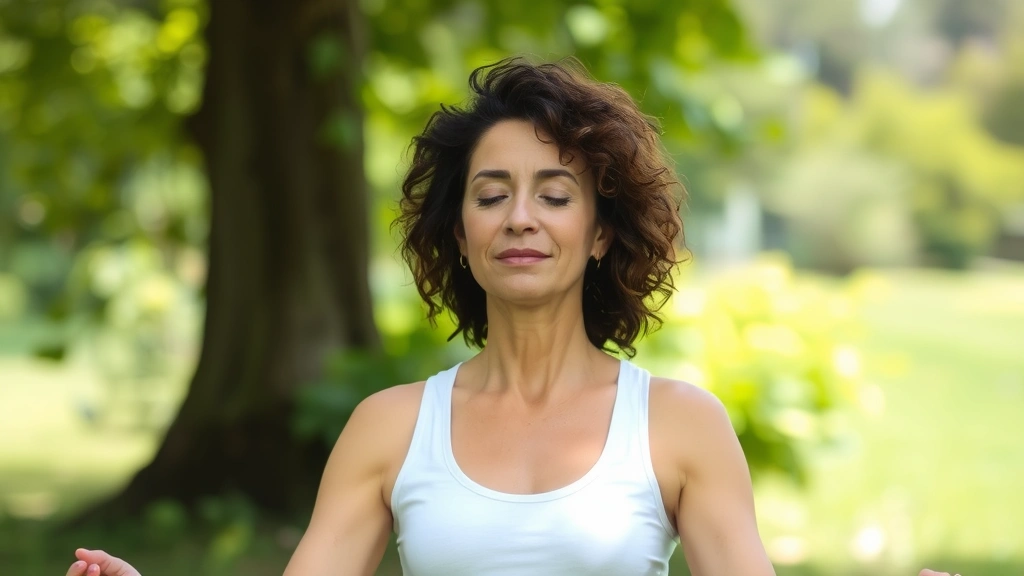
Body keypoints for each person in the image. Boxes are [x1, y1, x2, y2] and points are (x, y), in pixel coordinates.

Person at [65, 59, 963, 576]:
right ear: (460, 234)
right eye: (491, 195)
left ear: (601, 233)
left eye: (555, 194)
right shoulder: (389, 428)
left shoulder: (680, 427)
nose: (521, 217)